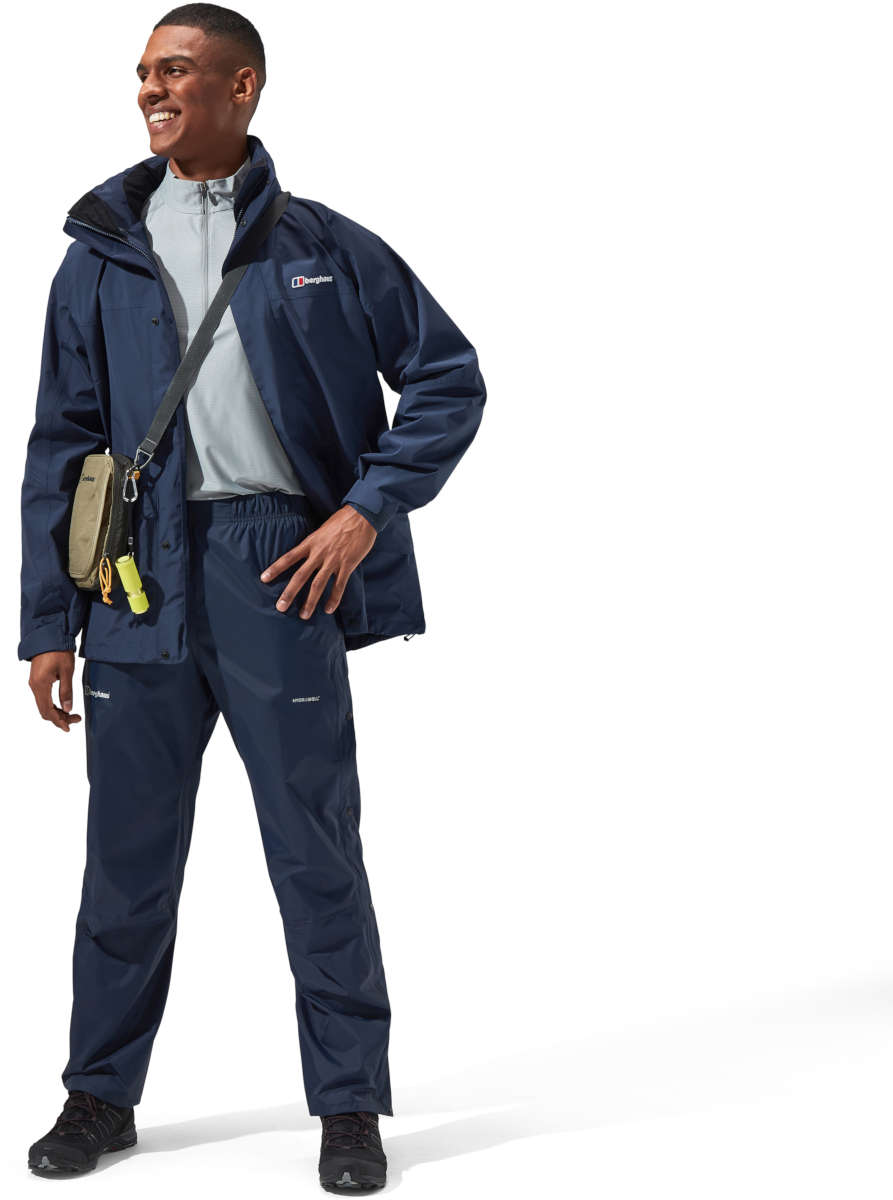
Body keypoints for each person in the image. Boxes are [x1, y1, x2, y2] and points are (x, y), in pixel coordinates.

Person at [19, 4, 486, 1188]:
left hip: (276, 565)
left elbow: (445, 376)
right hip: (132, 583)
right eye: (142, 72)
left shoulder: (319, 243)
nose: (150, 89)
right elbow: (61, 443)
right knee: (124, 858)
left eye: (175, 70)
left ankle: (348, 1105)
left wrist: (363, 510)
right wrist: (47, 622)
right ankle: (99, 1095)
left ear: (243, 87)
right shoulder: (97, 251)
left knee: (314, 848)